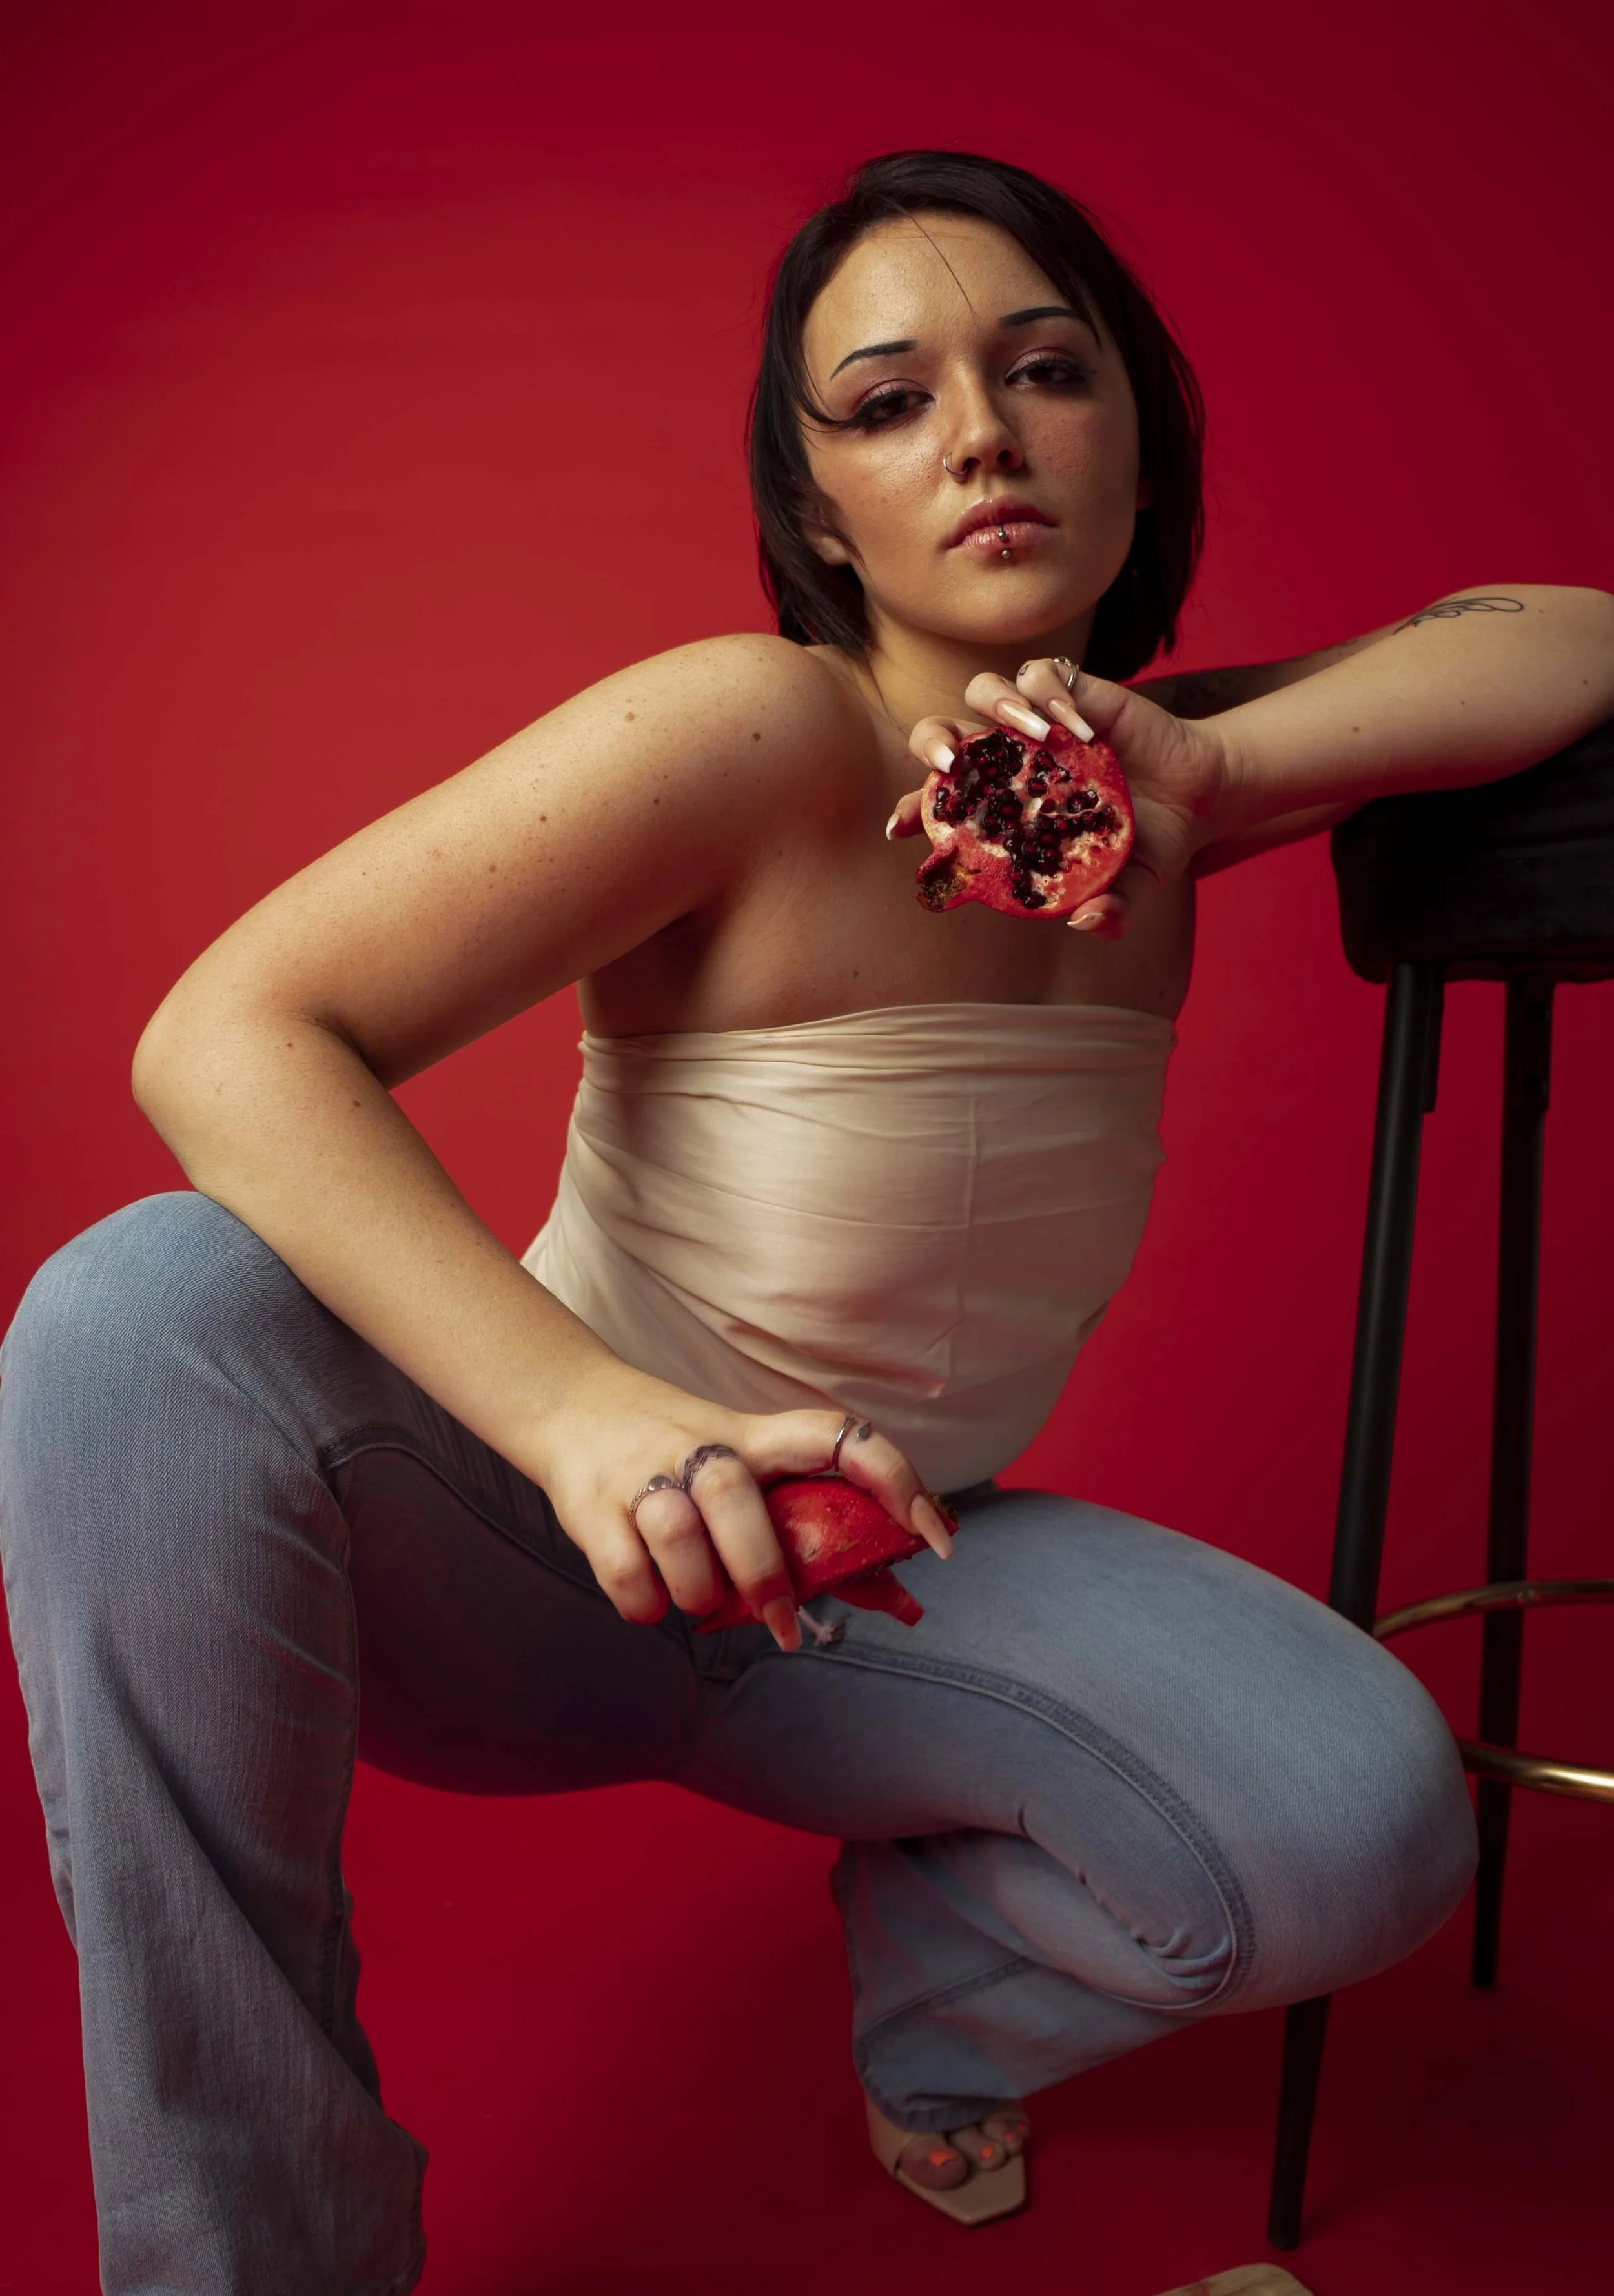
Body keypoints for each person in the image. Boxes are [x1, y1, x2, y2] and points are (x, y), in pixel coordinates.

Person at [3, 147, 1611, 2293]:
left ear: (1137, 428)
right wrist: (587, 1424)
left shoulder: (1153, 786)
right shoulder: (762, 727)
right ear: (815, 497)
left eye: (1046, 370)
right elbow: (226, 1033)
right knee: (132, 1306)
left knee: (1359, 1816)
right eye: (887, 399)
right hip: (539, 1549)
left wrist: (1214, 771)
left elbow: (1567, 636)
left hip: (884, 1589)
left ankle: (938, 2003)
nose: (978, 433)